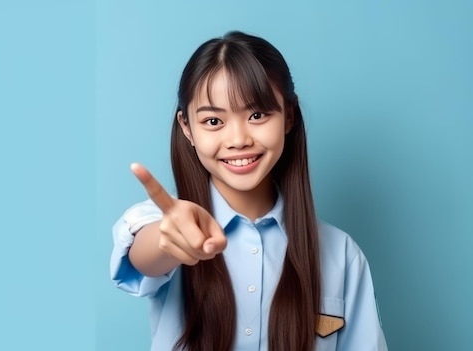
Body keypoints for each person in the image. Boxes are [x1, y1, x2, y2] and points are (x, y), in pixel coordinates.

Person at [110, 31, 388, 351]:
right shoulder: (162, 221)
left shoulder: (341, 255)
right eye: (213, 121)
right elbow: (144, 254)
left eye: (257, 115)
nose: (238, 138)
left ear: (289, 117)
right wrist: (170, 241)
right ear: (187, 127)